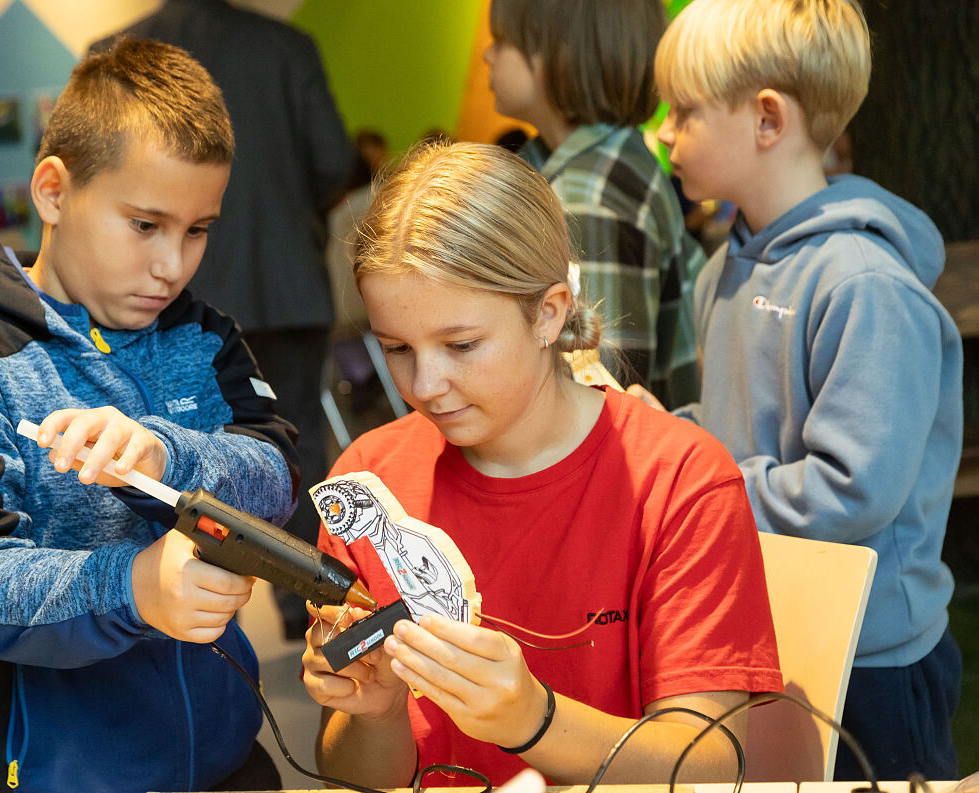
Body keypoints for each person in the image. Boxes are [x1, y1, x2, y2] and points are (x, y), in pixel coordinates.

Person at [0, 39, 299, 792]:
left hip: (226, 764)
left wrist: (167, 458)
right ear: (52, 191)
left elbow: (276, 480)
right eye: (145, 225)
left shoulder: (203, 336)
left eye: (197, 229)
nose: (173, 265)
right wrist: (135, 586)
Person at [301, 142, 783, 787]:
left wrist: (535, 721)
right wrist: (376, 713)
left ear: (549, 313)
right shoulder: (369, 484)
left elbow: (710, 764)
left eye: (461, 345)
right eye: (396, 348)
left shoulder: (678, 480)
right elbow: (354, 775)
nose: (426, 383)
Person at [641, 0, 963, 780]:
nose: (663, 134)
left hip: (870, 657)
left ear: (766, 119)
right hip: (766, 626)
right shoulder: (727, 264)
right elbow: (736, 427)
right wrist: (666, 435)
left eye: (683, 112)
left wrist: (700, 488)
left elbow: (852, 490)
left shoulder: (863, 284)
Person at [92, 0, 354, 642]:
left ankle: (185, 611)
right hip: (286, 283)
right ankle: (310, 606)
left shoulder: (115, 51)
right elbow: (335, 163)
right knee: (295, 448)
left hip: (172, 297)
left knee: (162, 448)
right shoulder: (288, 47)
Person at [483, 0, 705, 408]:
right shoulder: (606, 166)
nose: (487, 54)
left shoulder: (588, 196)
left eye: (502, 41)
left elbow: (597, 391)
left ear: (558, 53)